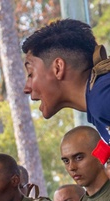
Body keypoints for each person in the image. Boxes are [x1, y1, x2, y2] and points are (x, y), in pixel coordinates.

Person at [22, 19, 110, 149]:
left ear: (58, 68)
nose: (26, 88)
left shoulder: (102, 98)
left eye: (31, 74)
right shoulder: (98, 101)